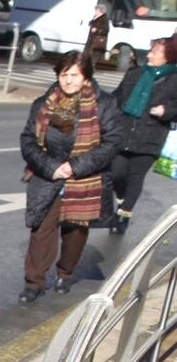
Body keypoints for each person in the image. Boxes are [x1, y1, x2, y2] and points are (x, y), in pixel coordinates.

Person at [18, 50, 123, 303]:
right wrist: (52, 166)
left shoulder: (103, 104)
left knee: (75, 231)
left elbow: (112, 142)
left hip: (84, 176)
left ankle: (65, 272)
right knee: (41, 228)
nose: (68, 80)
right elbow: (28, 141)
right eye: (64, 74)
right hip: (48, 174)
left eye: (74, 75)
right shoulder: (43, 103)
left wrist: (75, 167)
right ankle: (34, 282)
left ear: (86, 77)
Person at [108, 35, 176, 236]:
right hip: (124, 134)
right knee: (117, 172)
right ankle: (121, 198)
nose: (149, 55)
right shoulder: (135, 74)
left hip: (151, 137)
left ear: (169, 56)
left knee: (136, 176)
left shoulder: (174, 80)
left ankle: (123, 216)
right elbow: (116, 97)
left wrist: (167, 111)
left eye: (154, 52)